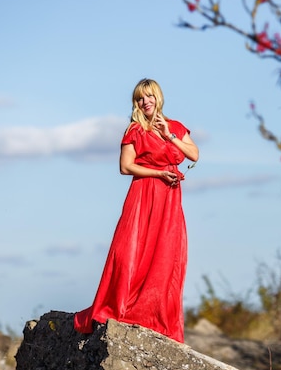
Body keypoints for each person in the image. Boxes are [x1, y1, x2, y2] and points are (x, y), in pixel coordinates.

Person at [73, 78, 199, 343]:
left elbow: (194, 155)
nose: (145, 102)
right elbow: (125, 166)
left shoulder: (174, 127)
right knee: (131, 249)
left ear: (158, 97)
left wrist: (169, 136)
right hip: (144, 193)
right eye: (140, 98)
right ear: (136, 103)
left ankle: (154, 313)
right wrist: (159, 173)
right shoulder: (134, 130)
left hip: (169, 198)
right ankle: (122, 306)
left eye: (149, 96)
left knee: (166, 253)